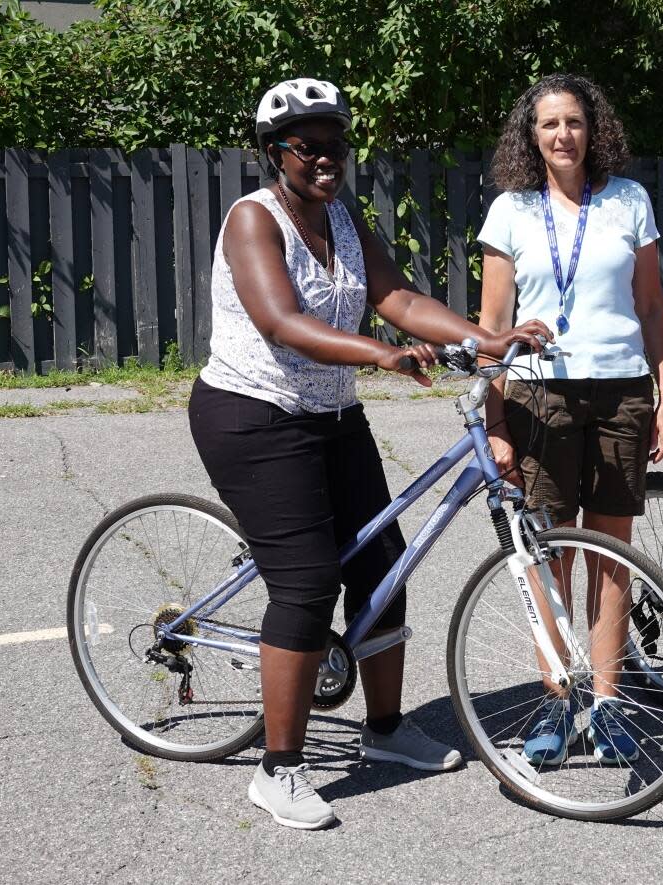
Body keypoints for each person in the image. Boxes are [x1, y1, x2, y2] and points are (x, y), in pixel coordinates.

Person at [188, 78, 550, 829]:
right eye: (308, 145)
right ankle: (278, 768)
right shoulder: (252, 221)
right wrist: (378, 356)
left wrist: (483, 338)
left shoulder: (343, 220)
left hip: (331, 412)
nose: (327, 157)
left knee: (383, 561)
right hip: (251, 416)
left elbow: (400, 299)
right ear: (274, 153)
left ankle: (385, 731)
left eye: (336, 144)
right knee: (308, 580)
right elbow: (282, 321)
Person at [476, 73, 663, 766]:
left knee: (611, 556)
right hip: (540, 397)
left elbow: (651, 308)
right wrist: (495, 416)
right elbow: (492, 325)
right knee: (549, 554)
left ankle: (612, 704)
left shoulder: (629, 201)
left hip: (621, 391)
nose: (563, 135)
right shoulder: (511, 210)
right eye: (549, 124)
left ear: (594, 131)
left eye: (574, 123)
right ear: (531, 136)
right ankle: (558, 701)